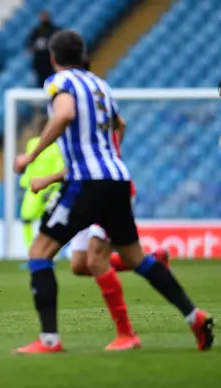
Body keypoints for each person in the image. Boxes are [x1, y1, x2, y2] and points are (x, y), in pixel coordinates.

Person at [12, 30, 214, 353]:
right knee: (135, 258)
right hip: (117, 178)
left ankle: (49, 340)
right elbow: (120, 124)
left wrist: (30, 157)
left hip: (86, 181)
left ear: (53, 58)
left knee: (40, 253)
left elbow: (64, 114)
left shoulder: (57, 83)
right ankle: (194, 316)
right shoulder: (100, 85)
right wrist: (105, 152)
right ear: (82, 54)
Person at [29, 121, 170, 350]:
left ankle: (126, 333)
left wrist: (47, 179)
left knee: (95, 260)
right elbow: (120, 125)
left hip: (101, 193)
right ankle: (152, 262)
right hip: (82, 192)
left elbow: (88, 164)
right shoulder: (89, 129)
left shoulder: (91, 133)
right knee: (79, 265)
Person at [19, 127, 64, 250]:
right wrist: (23, 185)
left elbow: (59, 168)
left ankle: (50, 254)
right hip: (34, 188)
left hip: (49, 188)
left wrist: (53, 188)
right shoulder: (33, 144)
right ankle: (32, 252)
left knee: (48, 222)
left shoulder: (56, 147)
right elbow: (30, 167)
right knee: (27, 220)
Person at [27, 11, 60, 88]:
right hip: (39, 63)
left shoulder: (54, 30)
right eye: (42, 17)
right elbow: (29, 45)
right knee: (41, 84)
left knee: (52, 82)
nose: (43, 19)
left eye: (45, 16)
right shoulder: (36, 31)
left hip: (51, 62)